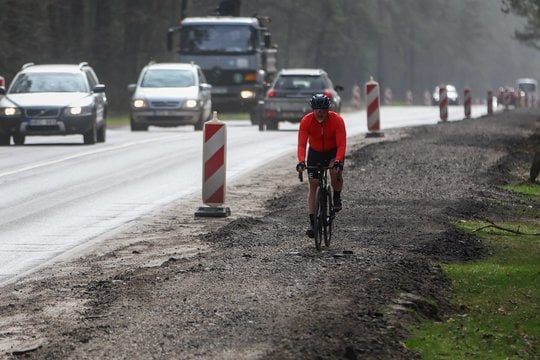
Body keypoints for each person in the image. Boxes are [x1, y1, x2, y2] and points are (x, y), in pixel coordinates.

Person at [296, 94, 346, 238]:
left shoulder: (337, 120)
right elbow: (301, 144)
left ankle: (336, 197)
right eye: (316, 109)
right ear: (312, 109)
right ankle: (313, 223)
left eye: (323, 109)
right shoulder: (306, 121)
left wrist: (338, 161)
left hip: (333, 152)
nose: (320, 112)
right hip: (315, 153)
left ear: (328, 109)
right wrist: (301, 161)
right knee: (313, 184)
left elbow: (342, 144)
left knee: (334, 172)